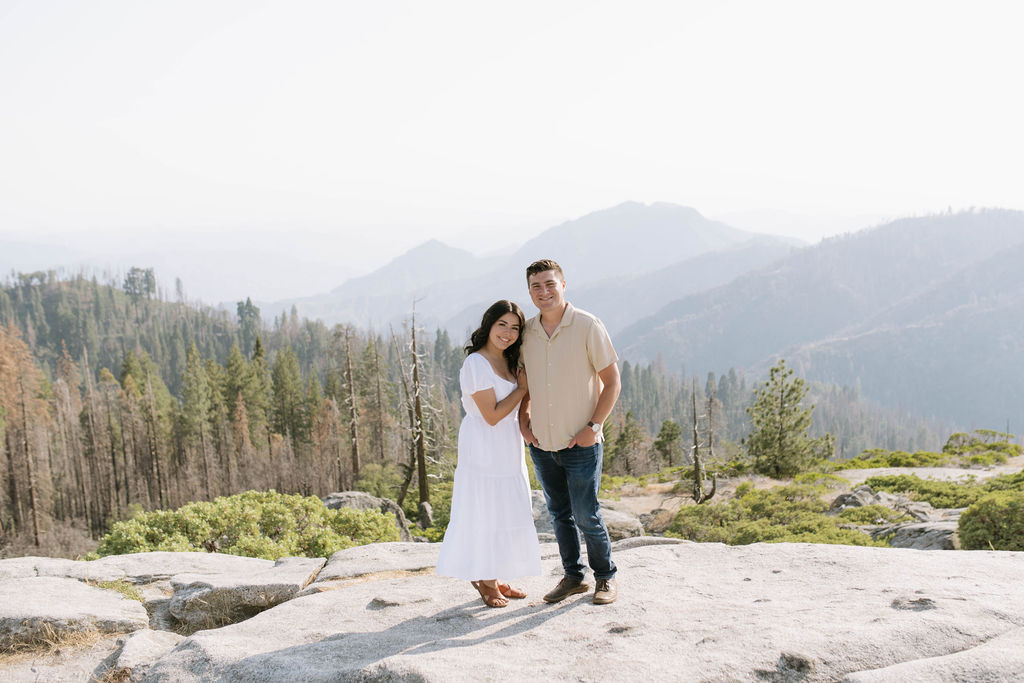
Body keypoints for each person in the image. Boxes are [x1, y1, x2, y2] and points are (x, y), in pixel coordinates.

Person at [518, 259, 621, 605]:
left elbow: (612, 382)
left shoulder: (588, 326)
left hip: (581, 443)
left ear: (564, 285)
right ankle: (573, 577)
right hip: (542, 444)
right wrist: (523, 421)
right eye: (536, 286)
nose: (544, 292)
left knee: (586, 514)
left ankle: (605, 578)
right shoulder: (527, 333)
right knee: (558, 514)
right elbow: (525, 385)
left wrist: (594, 427)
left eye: (550, 284)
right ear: (529, 292)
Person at [435, 300, 543, 607]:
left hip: (508, 446)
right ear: (488, 325)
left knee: (505, 508)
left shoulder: (510, 361)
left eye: (514, 328)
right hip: (483, 445)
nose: (507, 334)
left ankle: (494, 573)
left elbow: (516, 407)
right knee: (484, 509)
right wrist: (522, 389)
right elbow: (492, 415)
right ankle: (484, 580)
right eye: (502, 325)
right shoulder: (476, 364)